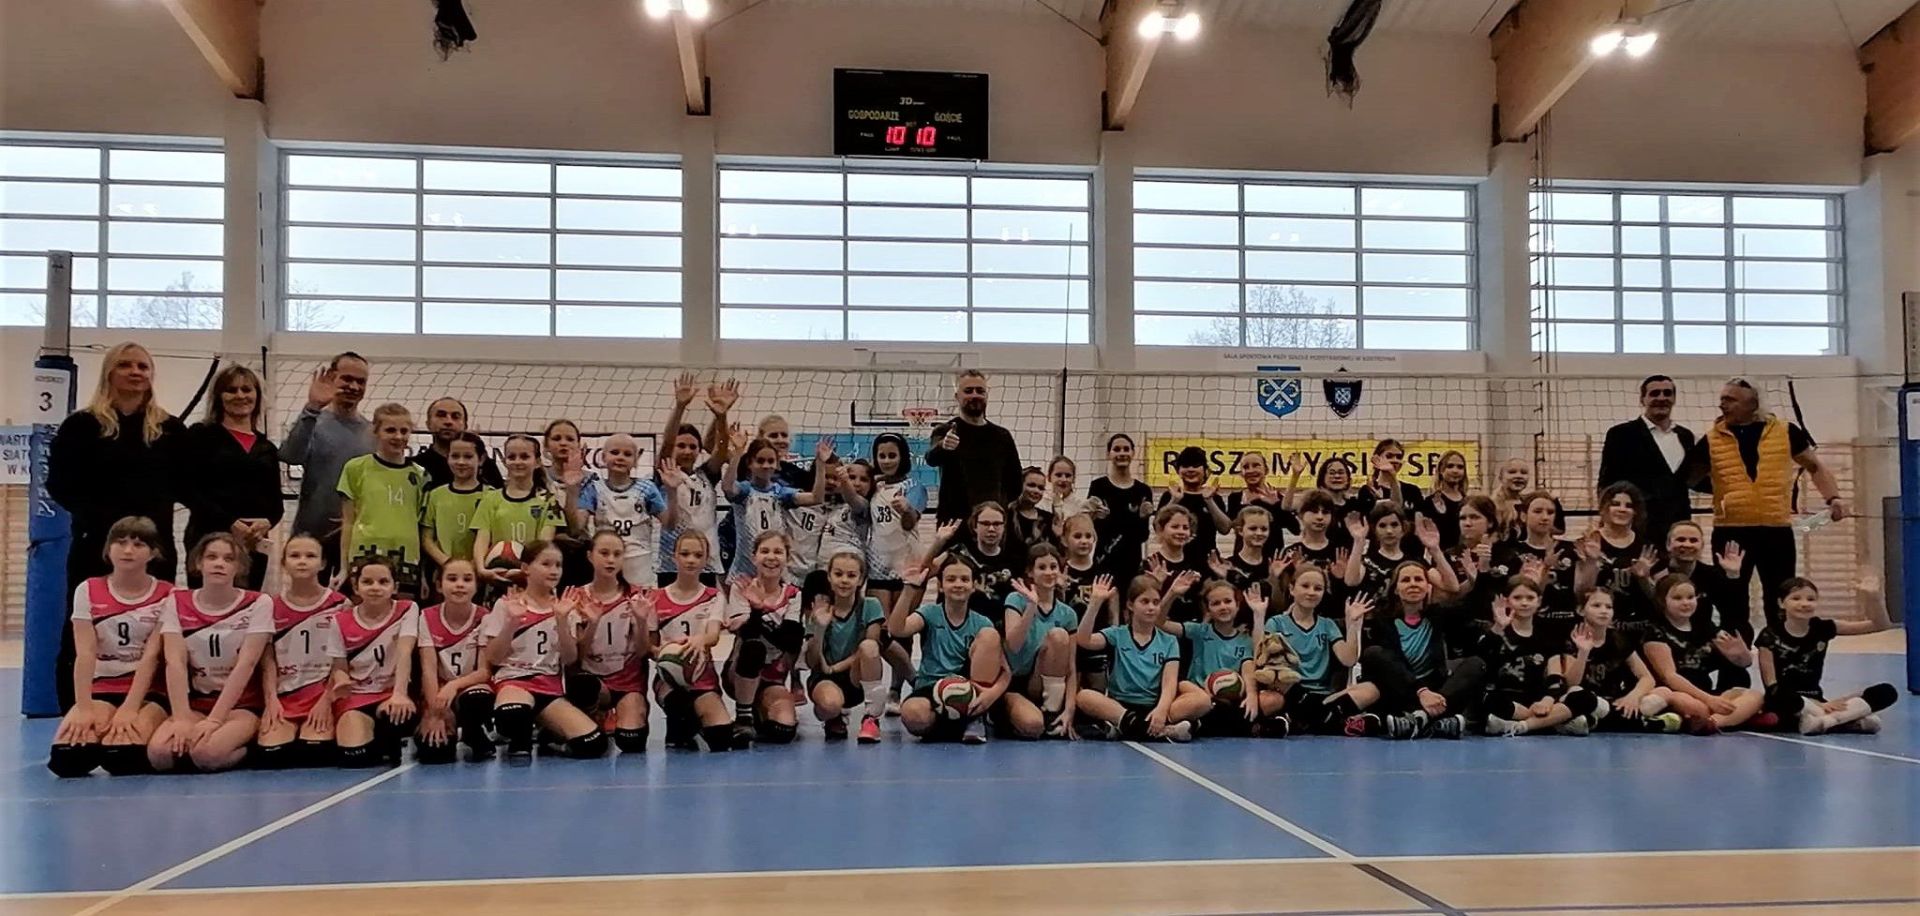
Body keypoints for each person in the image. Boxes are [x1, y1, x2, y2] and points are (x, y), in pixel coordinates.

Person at [48, 342, 187, 710]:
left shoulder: (169, 429)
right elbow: (59, 484)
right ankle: (77, 709)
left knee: (156, 628)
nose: (135, 372)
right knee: (84, 626)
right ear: (109, 372)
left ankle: (153, 704)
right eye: (126, 365)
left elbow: (190, 483)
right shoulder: (81, 426)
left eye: (142, 366)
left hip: (154, 549)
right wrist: (100, 524)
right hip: (95, 545)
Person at [1686, 378, 1848, 630]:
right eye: (1722, 399)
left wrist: (1833, 497)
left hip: (1776, 529)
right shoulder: (1710, 439)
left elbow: (1815, 467)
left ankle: (1780, 647)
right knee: (1732, 599)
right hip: (1731, 531)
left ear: (1752, 404)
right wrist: (1727, 492)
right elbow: (1689, 479)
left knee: (1780, 597)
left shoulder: (1786, 431)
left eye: (1730, 400)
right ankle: (1735, 652)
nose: (1722, 405)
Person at [47, 516, 174, 778]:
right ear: (108, 548)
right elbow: (85, 653)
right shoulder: (88, 589)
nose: (128, 550)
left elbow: (152, 657)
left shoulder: (168, 594)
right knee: (68, 758)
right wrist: (83, 708)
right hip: (102, 688)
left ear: (153, 553)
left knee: (121, 757)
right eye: (121, 542)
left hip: (149, 691)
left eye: (138, 544)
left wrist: (130, 708)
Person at [148, 534, 273, 773]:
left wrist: (215, 720)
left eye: (228, 559)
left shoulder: (258, 603)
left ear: (239, 567)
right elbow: (175, 662)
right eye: (212, 557)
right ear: (198, 563)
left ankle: (252, 746)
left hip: (241, 706)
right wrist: (181, 718)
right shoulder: (177, 601)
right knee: (160, 755)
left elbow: (246, 664)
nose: (219, 564)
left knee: (207, 754)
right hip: (198, 704)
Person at [483, 540, 607, 758]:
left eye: (558, 565)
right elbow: (493, 658)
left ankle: (548, 735)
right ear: (526, 568)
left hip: (549, 687)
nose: (554, 571)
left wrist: (561, 621)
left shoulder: (565, 607)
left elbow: (570, 659)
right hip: (515, 681)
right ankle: (517, 732)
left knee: (594, 743)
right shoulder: (507, 604)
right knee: (513, 716)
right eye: (546, 564)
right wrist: (512, 623)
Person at [1353, 561, 1484, 739]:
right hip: (1401, 690)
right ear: (1396, 589)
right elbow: (1385, 664)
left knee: (1476, 664)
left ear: (1428, 586)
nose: (1413, 584)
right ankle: (1434, 721)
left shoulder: (1438, 614)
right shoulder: (1382, 620)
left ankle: (1421, 718)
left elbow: (1468, 612)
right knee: (1374, 653)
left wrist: (1476, 582)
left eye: (1418, 579)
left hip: (1436, 692)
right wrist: (1421, 691)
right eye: (1406, 580)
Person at [179, 365, 282, 591]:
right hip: (207, 537)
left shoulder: (266, 447)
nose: (240, 395)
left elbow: (276, 504)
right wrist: (229, 523)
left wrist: (267, 522)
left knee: (246, 604)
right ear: (219, 397)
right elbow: (186, 489)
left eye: (246, 389)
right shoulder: (200, 435)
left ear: (257, 395)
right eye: (231, 390)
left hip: (252, 544)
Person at [888, 557, 1008, 745]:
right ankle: (952, 723)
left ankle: (974, 717)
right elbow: (897, 629)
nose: (958, 584)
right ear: (941, 586)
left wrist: (991, 694)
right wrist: (909, 589)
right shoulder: (930, 613)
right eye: (951, 579)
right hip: (931, 685)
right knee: (912, 714)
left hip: (967, 689)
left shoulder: (982, 622)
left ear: (974, 586)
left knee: (990, 636)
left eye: (964, 579)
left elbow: (1005, 671)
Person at [1757, 577, 1898, 735]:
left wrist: (1873, 597)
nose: (1804, 603)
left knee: (1886, 691)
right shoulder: (1770, 635)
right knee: (1778, 695)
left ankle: (1824, 721)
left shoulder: (1822, 627)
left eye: (1811, 599)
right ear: (1781, 603)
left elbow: (1880, 625)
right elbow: (1771, 685)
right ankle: (1845, 719)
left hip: (1818, 702)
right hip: (1789, 702)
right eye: (1796, 598)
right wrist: (1817, 704)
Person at [255, 535, 349, 768]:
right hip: (286, 696)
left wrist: (326, 701)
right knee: (272, 756)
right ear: (284, 563)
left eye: (310, 556)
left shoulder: (340, 605)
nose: (302, 561)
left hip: (323, 695)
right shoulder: (270, 606)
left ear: (323, 563)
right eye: (294, 556)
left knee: (314, 753)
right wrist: (271, 701)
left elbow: (343, 662)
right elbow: (268, 660)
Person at [282, 352, 374, 579]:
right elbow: (290, 456)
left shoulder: (372, 433)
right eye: (347, 379)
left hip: (355, 540)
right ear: (332, 378)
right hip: (312, 537)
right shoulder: (313, 421)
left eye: (360, 381)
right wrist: (312, 407)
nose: (354, 386)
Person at [1070, 574, 1192, 742]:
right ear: (1130, 605)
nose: (1151, 607)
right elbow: (1084, 640)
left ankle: (1128, 728)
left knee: (1200, 702)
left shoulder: (1169, 641)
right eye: (1145, 602)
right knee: (1084, 696)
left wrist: (1162, 710)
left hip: (1152, 705)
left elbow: (1169, 683)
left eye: (1156, 602)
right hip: (1120, 706)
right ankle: (1159, 730)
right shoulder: (1117, 634)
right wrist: (1095, 603)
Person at [323, 558, 420, 768]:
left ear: (395, 587)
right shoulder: (340, 620)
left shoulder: (407, 609)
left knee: (396, 717)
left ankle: (389, 737)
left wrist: (400, 693)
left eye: (383, 582)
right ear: (356, 587)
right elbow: (339, 666)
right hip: (357, 696)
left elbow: (405, 651)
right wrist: (341, 680)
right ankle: (377, 741)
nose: (375, 587)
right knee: (354, 758)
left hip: (390, 693)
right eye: (367, 582)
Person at [565, 531, 654, 755]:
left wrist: (641, 621)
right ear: (590, 556)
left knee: (631, 742)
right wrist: (592, 624)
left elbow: (643, 652)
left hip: (628, 681)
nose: (610, 560)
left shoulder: (637, 597)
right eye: (604, 553)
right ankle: (593, 712)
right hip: (593, 681)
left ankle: (630, 711)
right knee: (583, 686)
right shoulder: (577, 597)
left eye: (617, 554)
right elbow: (575, 657)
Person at [1640, 573, 1762, 734]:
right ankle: (1712, 717)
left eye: (1690, 597)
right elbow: (1670, 677)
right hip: (1676, 692)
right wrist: (1709, 700)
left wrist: (1740, 654)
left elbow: (1745, 663)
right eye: (1677, 598)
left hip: (1706, 692)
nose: (1686, 603)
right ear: (1663, 601)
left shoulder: (1704, 627)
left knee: (1754, 696)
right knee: (1697, 707)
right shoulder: (1655, 632)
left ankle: (1713, 722)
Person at [1554, 588, 1683, 735]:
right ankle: (1641, 723)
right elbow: (1570, 683)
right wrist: (1583, 653)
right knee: (1575, 694)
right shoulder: (1573, 638)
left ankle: (1600, 721)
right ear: (1581, 610)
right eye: (1596, 606)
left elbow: (1647, 678)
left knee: (1663, 692)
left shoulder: (1618, 639)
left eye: (1608, 607)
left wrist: (1633, 697)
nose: (1604, 611)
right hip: (1586, 699)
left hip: (1616, 702)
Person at [1261, 567, 1374, 735]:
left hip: (1325, 696)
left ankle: (1303, 720)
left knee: (1370, 690)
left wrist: (1352, 624)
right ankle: (1334, 721)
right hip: (1291, 691)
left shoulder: (1327, 625)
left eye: (1318, 588)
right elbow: (1263, 659)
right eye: (1305, 586)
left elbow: (1348, 659)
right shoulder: (1276, 623)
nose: (1311, 592)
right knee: (1270, 695)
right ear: (1292, 589)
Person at [652, 531, 733, 751]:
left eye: (698, 555)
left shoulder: (713, 596)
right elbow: (649, 647)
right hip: (669, 680)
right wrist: (665, 652)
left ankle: (697, 721)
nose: (691, 560)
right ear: (674, 556)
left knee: (722, 739)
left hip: (701, 677)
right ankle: (680, 723)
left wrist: (700, 639)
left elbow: (713, 636)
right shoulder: (656, 598)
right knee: (679, 705)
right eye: (685, 554)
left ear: (706, 560)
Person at [336, 403, 427, 597]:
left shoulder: (420, 475)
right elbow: (348, 522)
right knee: (364, 612)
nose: (398, 437)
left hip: (406, 558)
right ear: (376, 431)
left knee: (402, 613)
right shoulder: (356, 468)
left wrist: (424, 574)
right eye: (390, 430)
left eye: (404, 431)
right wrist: (344, 568)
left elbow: (422, 526)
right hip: (365, 555)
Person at [1478, 577, 1586, 737]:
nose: (1524, 603)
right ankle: (1552, 722)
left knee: (1584, 697)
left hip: (1539, 701)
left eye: (1530, 598)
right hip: (1506, 700)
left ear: (1539, 601)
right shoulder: (1497, 632)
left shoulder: (1548, 637)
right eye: (1517, 598)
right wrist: (1498, 627)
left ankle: (1520, 726)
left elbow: (1555, 677)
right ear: (1507, 601)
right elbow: (1479, 658)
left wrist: (1547, 701)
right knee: (1486, 699)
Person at [724, 532, 804, 745]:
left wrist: (758, 610)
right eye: (765, 551)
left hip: (772, 676)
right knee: (754, 648)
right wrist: (758, 613)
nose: (771, 557)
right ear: (754, 557)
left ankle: (759, 712)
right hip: (739, 672)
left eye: (778, 552)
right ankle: (743, 717)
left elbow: (791, 640)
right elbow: (747, 634)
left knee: (784, 731)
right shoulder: (742, 587)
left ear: (787, 558)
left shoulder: (793, 594)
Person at [413, 559, 496, 763]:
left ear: (476, 586)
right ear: (439, 585)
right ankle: (437, 729)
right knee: (434, 753)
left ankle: (473, 731)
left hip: (470, 687)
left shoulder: (485, 617)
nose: (460, 585)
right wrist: (435, 713)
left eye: (467, 579)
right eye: (452, 579)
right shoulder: (427, 616)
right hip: (439, 692)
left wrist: (454, 685)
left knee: (478, 697)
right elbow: (428, 670)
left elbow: (484, 671)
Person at [658, 373, 737, 586]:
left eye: (693, 446)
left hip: (706, 560)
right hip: (671, 563)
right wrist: (680, 406)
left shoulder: (706, 475)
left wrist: (722, 416)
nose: (687, 451)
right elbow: (667, 443)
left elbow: (721, 449)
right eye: (681, 446)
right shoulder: (666, 470)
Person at [803, 551, 889, 743]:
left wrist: (835, 668)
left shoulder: (871, 606)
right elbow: (811, 662)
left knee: (869, 646)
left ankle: (871, 718)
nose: (844, 580)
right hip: (824, 678)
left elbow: (871, 648)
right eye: (838, 574)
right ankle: (833, 717)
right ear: (829, 577)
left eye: (851, 575)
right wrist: (819, 629)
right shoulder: (819, 610)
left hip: (855, 675)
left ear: (861, 580)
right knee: (829, 706)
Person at [721, 430, 830, 579]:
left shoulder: (781, 494)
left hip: (774, 572)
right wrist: (738, 453)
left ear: (777, 464)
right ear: (750, 464)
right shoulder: (745, 491)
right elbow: (728, 487)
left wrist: (821, 464)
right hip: (744, 573)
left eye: (771, 461)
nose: (766, 466)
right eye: (760, 461)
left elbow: (816, 498)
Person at [1598, 376, 1696, 539]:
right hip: (1637, 527)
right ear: (1642, 399)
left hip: (1677, 527)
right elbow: (1607, 482)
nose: (1662, 398)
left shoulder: (1685, 436)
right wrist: (1607, 519)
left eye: (1667, 393)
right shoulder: (1621, 434)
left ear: (1674, 398)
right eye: (1655, 393)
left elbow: (1692, 479)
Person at [998, 545, 1079, 739]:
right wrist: (1031, 606)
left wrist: (1070, 710)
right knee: (1032, 725)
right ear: (1030, 572)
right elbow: (1013, 645)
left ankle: (1052, 712)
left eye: (1053, 567)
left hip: (1046, 685)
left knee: (1058, 636)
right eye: (1042, 567)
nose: (1049, 572)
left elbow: (1071, 668)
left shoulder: (1068, 614)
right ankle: (1010, 716)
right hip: (1016, 683)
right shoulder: (1016, 600)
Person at [1163, 579, 1262, 738]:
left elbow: (1248, 669)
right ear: (1208, 610)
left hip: (1227, 699)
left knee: (1263, 703)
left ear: (1237, 605)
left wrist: (1251, 695)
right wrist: (1172, 594)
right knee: (1206, 704)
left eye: (1227, 601)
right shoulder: (1199, 631)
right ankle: (1251, 727)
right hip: (1198, 694)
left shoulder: (1244, 640)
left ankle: (1195, 726)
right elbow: (1160, 623)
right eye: (1216, 603)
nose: (1223, 607)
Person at [577, 433, 680, 585]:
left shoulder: (647, 488)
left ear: (636, 461)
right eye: (615, 452)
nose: (620, 457)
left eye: (627, 454)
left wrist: (672, 492)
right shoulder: (594, 488)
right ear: (603, 457)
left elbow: (670, 525)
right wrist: (573, 488)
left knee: (640, 599)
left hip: (639, 559)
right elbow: (578, 526)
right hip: (607, 558)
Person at [470, 435, 565, 594]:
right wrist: (481, 569)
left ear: (537, 462)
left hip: (533, 580)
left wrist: (527, 570)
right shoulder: (490, 498)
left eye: (524, 456)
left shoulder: (549, 500)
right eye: (512, 457)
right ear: (504, 461)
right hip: (496, 577)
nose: (517, 461)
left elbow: (543, 544)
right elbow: (482, 538)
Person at [926, 370, 1023, 525]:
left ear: (986, 395)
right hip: (953, 522)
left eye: (980, 391)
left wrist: (999, 508)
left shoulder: (1002, 436)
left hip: (991, 523)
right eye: (968, 391)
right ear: (957, 396)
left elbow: (1015, 482)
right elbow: (931, 458)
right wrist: (943, 446)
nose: (975, 395)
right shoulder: (944, 431)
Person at [420, 432, 491, 597]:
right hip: (444, 574)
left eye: (468, 456)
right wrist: (448, 563)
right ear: (447, 458)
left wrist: (474, 564)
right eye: (455, 456)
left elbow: (492, 538)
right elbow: (427, 538)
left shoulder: (491, 496)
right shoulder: (436, 495)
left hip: (479, 574)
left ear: (481, 459)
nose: (461, 462)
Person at [1087, 434, 1154, 578]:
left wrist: (1142, 518)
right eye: (1117, 449)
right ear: (1108, 454)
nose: (1122, 453)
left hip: (1132, 562)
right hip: (1104, 560)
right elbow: (1091, 530)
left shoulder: (1143, 490)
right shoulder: (1098, 486)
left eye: (1126, 449)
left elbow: (1143, 536)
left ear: (1133, 453)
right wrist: (1097, 518)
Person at [1157, 446, 1232, 568]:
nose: (1190, 469)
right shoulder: (1170, 496)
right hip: (1175, 561)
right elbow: (1158, 527)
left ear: (1205, 470)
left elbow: (1225, 529)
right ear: (1178, 470)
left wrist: (1209, 500)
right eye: (1185, 466)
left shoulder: (1214, 497)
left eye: (1196, 465)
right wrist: (1175, 500)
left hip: (1208, 562)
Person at [411, 396, 503, 489]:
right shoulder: (415, 466)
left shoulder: (486, 466)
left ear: (465, 425)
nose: (448, 421)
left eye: (456, 416)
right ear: (428, 424)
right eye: (441, 415)